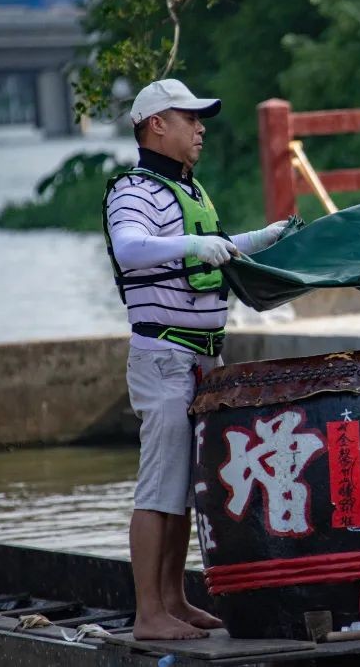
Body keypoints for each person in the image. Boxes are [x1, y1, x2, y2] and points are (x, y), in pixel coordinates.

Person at [103, 78, 287, 639]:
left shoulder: (189, 190)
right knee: (159, 485)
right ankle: (148, 614)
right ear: (157, 124)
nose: (200, 126)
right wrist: (192, 246)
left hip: (202, 359)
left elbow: (221, 247)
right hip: (163, 355)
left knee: (184, 487)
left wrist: (270, 237)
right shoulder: (135, 191)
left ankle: (175, 600)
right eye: (189, 117)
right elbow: (131, 249)